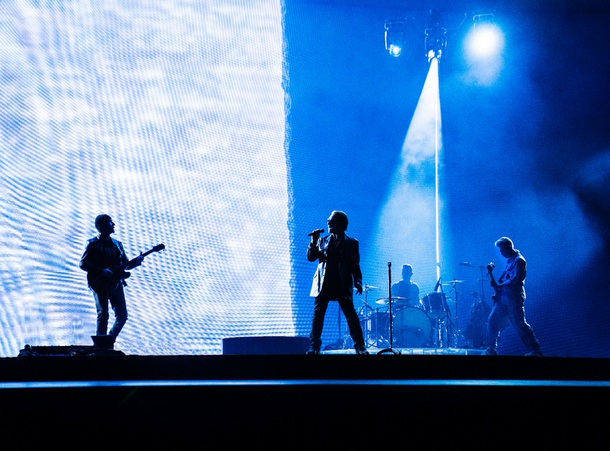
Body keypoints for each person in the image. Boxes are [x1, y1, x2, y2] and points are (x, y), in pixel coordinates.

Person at [306, 210, 368, 355]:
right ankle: (314, 347)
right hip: (324, 284)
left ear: (341, 224)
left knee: (351, 316)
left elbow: (355, 265)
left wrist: (358, 282)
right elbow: (311, 257)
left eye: (332, 221)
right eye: (328, 220)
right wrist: (313, 242)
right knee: (318, 315)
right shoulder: (323, 241)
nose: (328, 223)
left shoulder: (352, 243)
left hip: (342, 284)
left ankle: (360, 346)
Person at [79, 214, 143, 347]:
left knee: (122, 316)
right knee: (103, 315)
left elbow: (125, 264)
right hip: (100, 285)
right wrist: (102, 271)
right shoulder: (92, 244)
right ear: (102, 226)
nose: (113, 224)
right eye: (110, 222)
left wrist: (136, 262)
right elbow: (83, 264)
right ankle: (100, 347)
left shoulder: (118, 244)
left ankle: (108, 341)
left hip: (116, 284)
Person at [484, 236, 543, 356]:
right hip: (504, 298)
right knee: (493, 321)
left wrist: (499, 285)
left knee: (519, 324)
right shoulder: (510, 261)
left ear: (509, 247)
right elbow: (501, 281)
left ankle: (535, 350)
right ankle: (492, 349)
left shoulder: (519, 261)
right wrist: (493, 277)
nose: (501, 253)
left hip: (514, 298)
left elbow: (515, 280)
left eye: (502, 250)